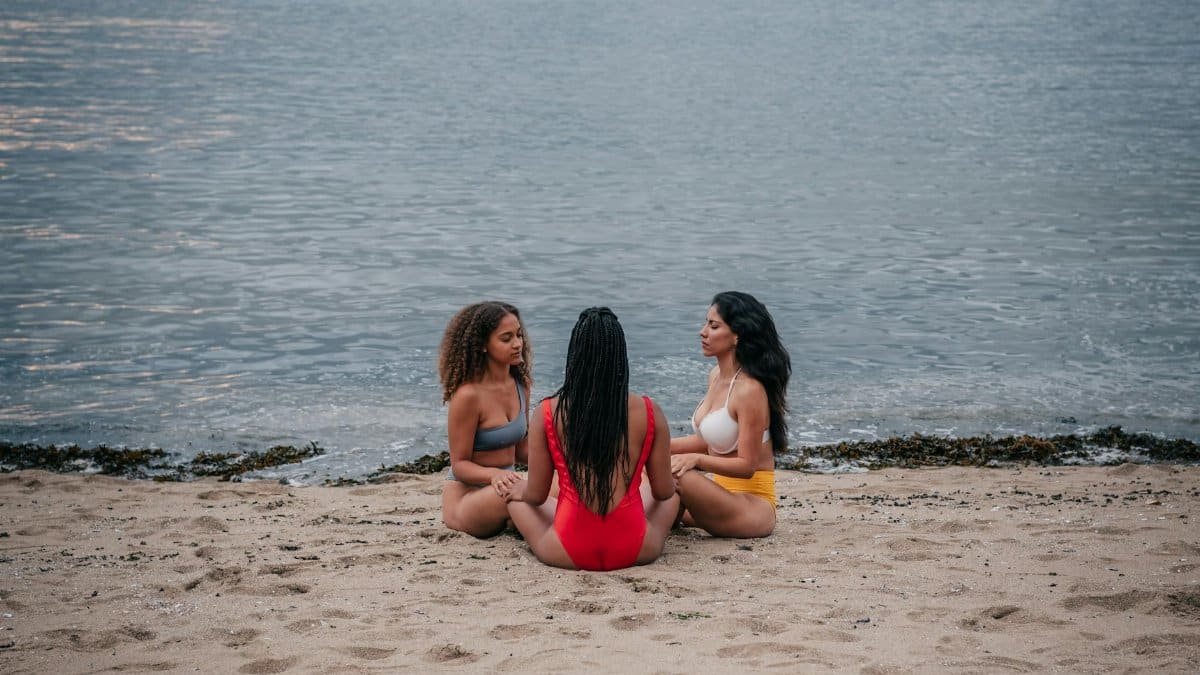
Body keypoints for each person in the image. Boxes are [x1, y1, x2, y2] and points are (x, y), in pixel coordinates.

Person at [504, 307, 679, 571]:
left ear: (575, 355)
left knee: (514, 499)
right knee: (673, 496)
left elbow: (537, 495)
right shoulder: (649, 411)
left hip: (567, 548)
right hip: (636, 548)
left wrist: (521, 489)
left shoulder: (549, 412)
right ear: (620, 356)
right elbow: (664, 491)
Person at [670, 291, 791, 538]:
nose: (703, 332)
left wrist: (696, 460)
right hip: (718, 499)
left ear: (737, 335)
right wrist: (655, 444)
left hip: (751, 508)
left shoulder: (750, 390)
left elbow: (746, 465)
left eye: (713, 326)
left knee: (679, 475)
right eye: (706, 323)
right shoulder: (715, 376)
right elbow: (711, 442)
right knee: (645, 460)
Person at [438, 301, 532, 538]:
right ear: (482, 345)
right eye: (506, 338)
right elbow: (459, 465)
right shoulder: (468, 396)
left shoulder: (522, 386)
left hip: (506, 488)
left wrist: (564, 460)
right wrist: (494, 475)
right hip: (467, 498)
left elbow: (522, 451)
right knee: (520, 493)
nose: (517, 344)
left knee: (565, 483)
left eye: (519, 335)